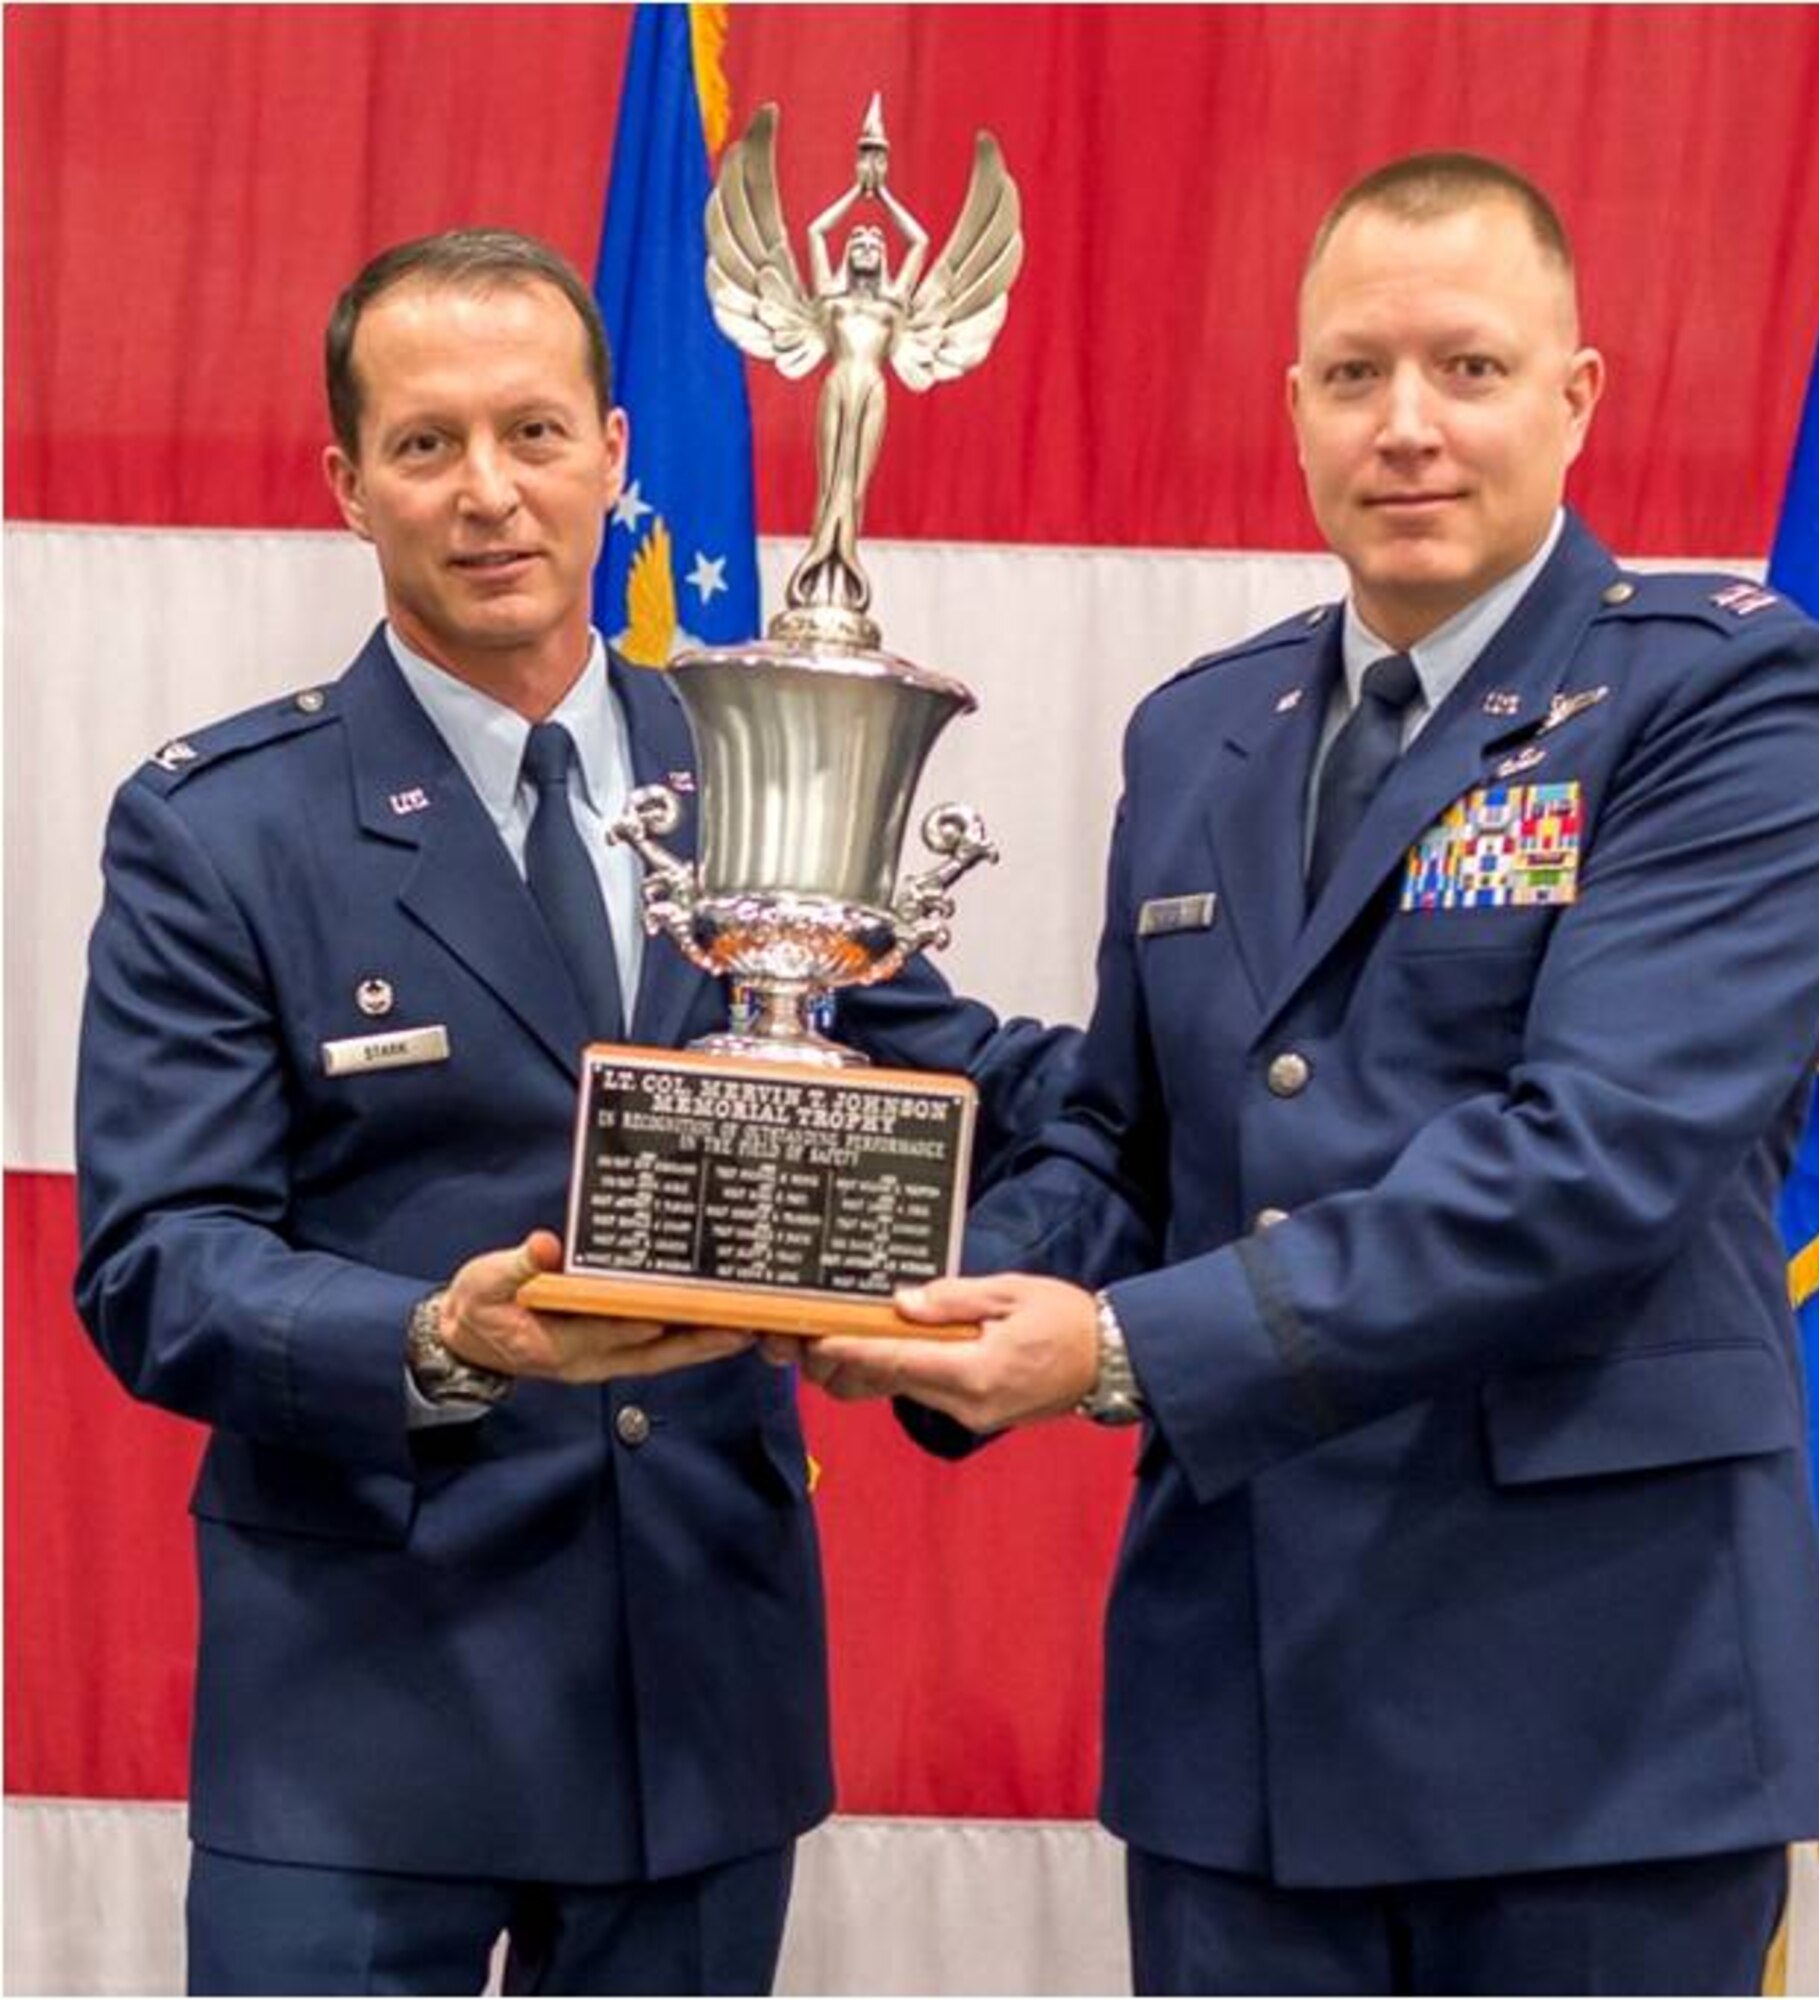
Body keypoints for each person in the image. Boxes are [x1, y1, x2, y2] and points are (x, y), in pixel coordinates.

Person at [795, 155, 1819, 1996]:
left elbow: (1590, 1163)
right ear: (1294, 406)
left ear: (1575, 397)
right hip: (1252, 1715)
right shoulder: (1202, 729)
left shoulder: (1726, 701)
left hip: (1597, 1715)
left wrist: (1119, 1355)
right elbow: (1138, 1138)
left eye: (1468, 369)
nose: (1409, 428)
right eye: (1356, 375)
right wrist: (952, 1295)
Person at [74, 228, 1073, 1997]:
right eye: (426, 444)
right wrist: (438, 1340)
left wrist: (975, 1284)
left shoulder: (763, 764)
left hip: (694, 1702)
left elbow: (951, 1092)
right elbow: (159, 1260)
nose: (488, 495)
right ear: (344, 485)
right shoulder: (222, 827)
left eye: (535, 435)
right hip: (363, 1720)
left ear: (618, 456)